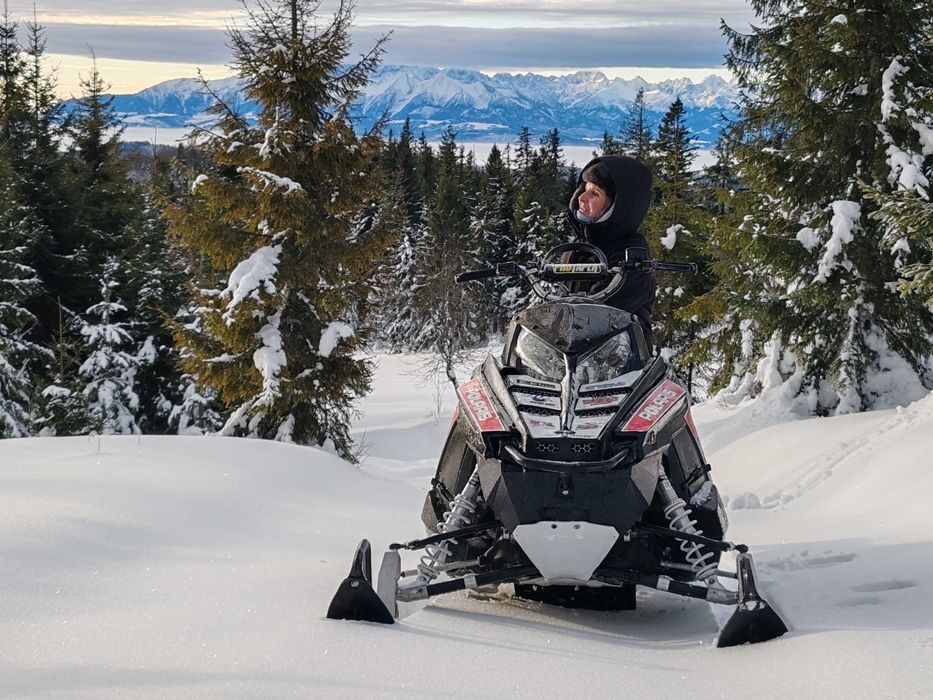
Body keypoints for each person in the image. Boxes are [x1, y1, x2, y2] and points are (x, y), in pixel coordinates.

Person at [566, 155, 657, 347]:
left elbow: (597, 315)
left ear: (616, 206)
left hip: (620, 355)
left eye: (594, 193)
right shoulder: (579, 246)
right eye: (584, 189)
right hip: (574, 351)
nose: (582, 198)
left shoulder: (633, 254)